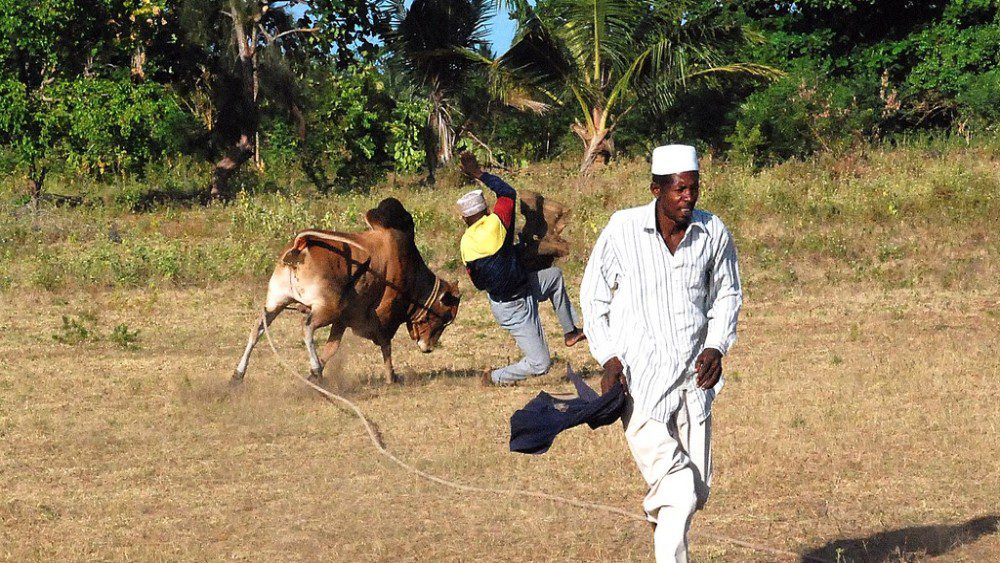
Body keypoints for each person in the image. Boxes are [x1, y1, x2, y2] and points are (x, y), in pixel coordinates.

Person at [579, 144, 742, 562]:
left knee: (695, 491)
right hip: (640, 387)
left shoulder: (713, 233)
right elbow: (593, 295)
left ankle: (659, 509)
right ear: (656, 189)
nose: (689, 197)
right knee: (679, 490)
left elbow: (728, 294)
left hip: (694, 383)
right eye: (679, 190)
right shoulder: (622, 229)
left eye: (694, 188)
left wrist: (716, 345)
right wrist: (610, 357)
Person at [455, 152, 586, 386]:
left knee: (554, 276)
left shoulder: (466, 245)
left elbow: (478, 283)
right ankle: (494, 378)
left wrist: (507, 261)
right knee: (541, 364)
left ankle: (570, 332)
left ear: (465, 219)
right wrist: (478, 174)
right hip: (515, 308)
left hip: (512, 297)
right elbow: (507, 192)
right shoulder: (497, 223)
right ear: (486, 210)